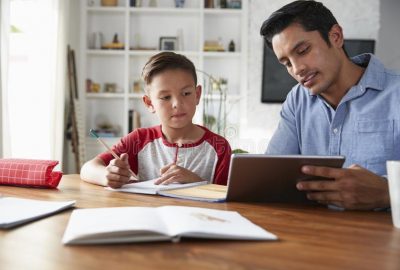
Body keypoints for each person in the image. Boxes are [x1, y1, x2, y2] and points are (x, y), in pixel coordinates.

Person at [260, 0, 400, 210]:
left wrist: (388, 193)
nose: (297, 69)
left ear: (335, 36)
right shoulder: (297, 100)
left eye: (303, 50)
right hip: (315, 235)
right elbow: (269, 178)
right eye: (287, 63)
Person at [80, 52, 231, 188]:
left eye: (186, 93)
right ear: (149, 103)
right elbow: (87, 168)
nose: (177, 104)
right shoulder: (138, 140)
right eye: (166, 97)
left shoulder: (219, 147)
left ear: (197, 95)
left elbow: (228, 199)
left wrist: (196, 182)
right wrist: (107, 176)